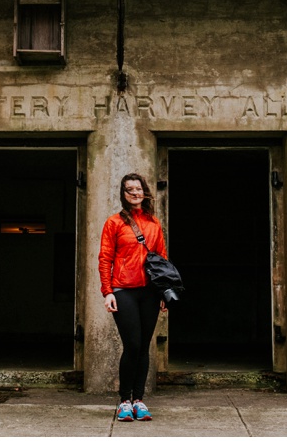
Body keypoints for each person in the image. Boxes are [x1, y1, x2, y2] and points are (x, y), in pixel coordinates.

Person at [98, 172, 168, 422]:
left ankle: (139, 400)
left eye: (138, 189)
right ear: (124, 194)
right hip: (123, 290)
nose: (135, 193)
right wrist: (107, 291)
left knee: (144, 347)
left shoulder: (153, 223)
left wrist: (163, 291)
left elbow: (161, 259)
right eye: (130, 190)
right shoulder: (114, 223)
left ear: (145, 191)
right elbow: (105, 258)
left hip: (149, 292)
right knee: (133, 344)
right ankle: (124, 401)